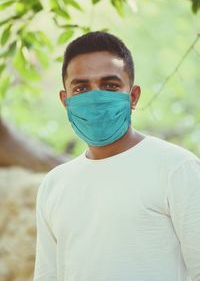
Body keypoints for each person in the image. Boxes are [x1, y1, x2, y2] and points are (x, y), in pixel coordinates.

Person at [33, 31, 200, 281]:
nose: (96, 97)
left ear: (132, 96)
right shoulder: (54, 184)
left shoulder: (177, 168)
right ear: (65, 100)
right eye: (81, 88)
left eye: (110, 86)